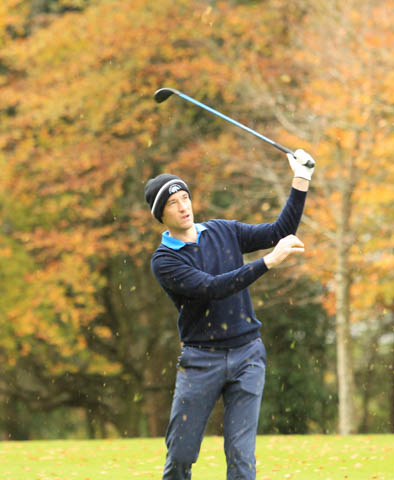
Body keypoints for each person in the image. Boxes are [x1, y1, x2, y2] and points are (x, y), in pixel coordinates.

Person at [144, 149, 315, 480]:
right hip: (200, 360)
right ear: (160, 215)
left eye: (184, 197)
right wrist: (267, 262)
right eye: (172, 203)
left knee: (241, 455)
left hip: (247, 354)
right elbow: (211, 287)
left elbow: (279, 231)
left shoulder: (222, 230)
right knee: (180, 455)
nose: (183, 206)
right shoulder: (164, 261)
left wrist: (301, 179)